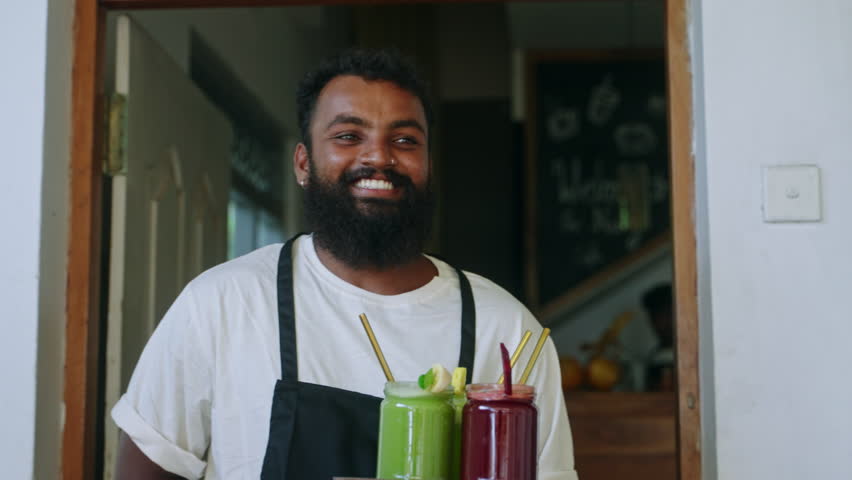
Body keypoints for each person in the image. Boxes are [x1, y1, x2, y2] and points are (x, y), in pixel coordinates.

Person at [112, 48, 578, 480]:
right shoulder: (223, 302)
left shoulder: (508, 331)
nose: (379, 156)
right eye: (348, 136)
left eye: (405, 139)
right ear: (303, 163)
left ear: (429, 164)